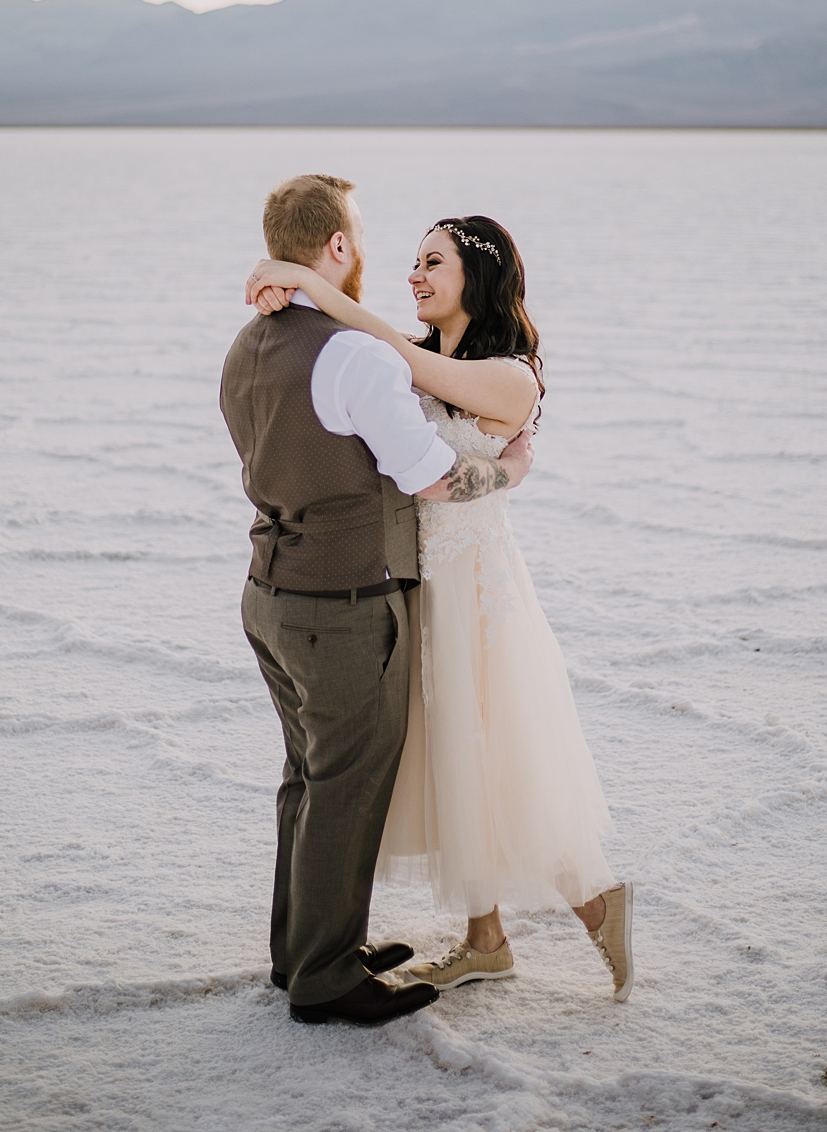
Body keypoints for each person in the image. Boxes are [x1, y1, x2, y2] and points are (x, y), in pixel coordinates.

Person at [247, 211, 633, 1001]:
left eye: (434, 264)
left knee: (490, 750)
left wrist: (311, 283)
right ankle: (485, 939)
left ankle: (596, 902)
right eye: (413, 262)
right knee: (452, 754)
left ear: (478, 279)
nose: (415, 275)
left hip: (475, 590)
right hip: (413, 583)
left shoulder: (509, 374)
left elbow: (388, 357)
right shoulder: (416, 357)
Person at [220, 175, 535, 1026]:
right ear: (337, 248)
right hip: (341, 601)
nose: (386, 264)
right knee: (346, 785)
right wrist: (502, 474)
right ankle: (324, 974)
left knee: (307, 779)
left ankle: (305, 951)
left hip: (269, 592)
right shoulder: (353, 354)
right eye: (362, 240)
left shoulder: (248, 344)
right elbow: (429, 475)